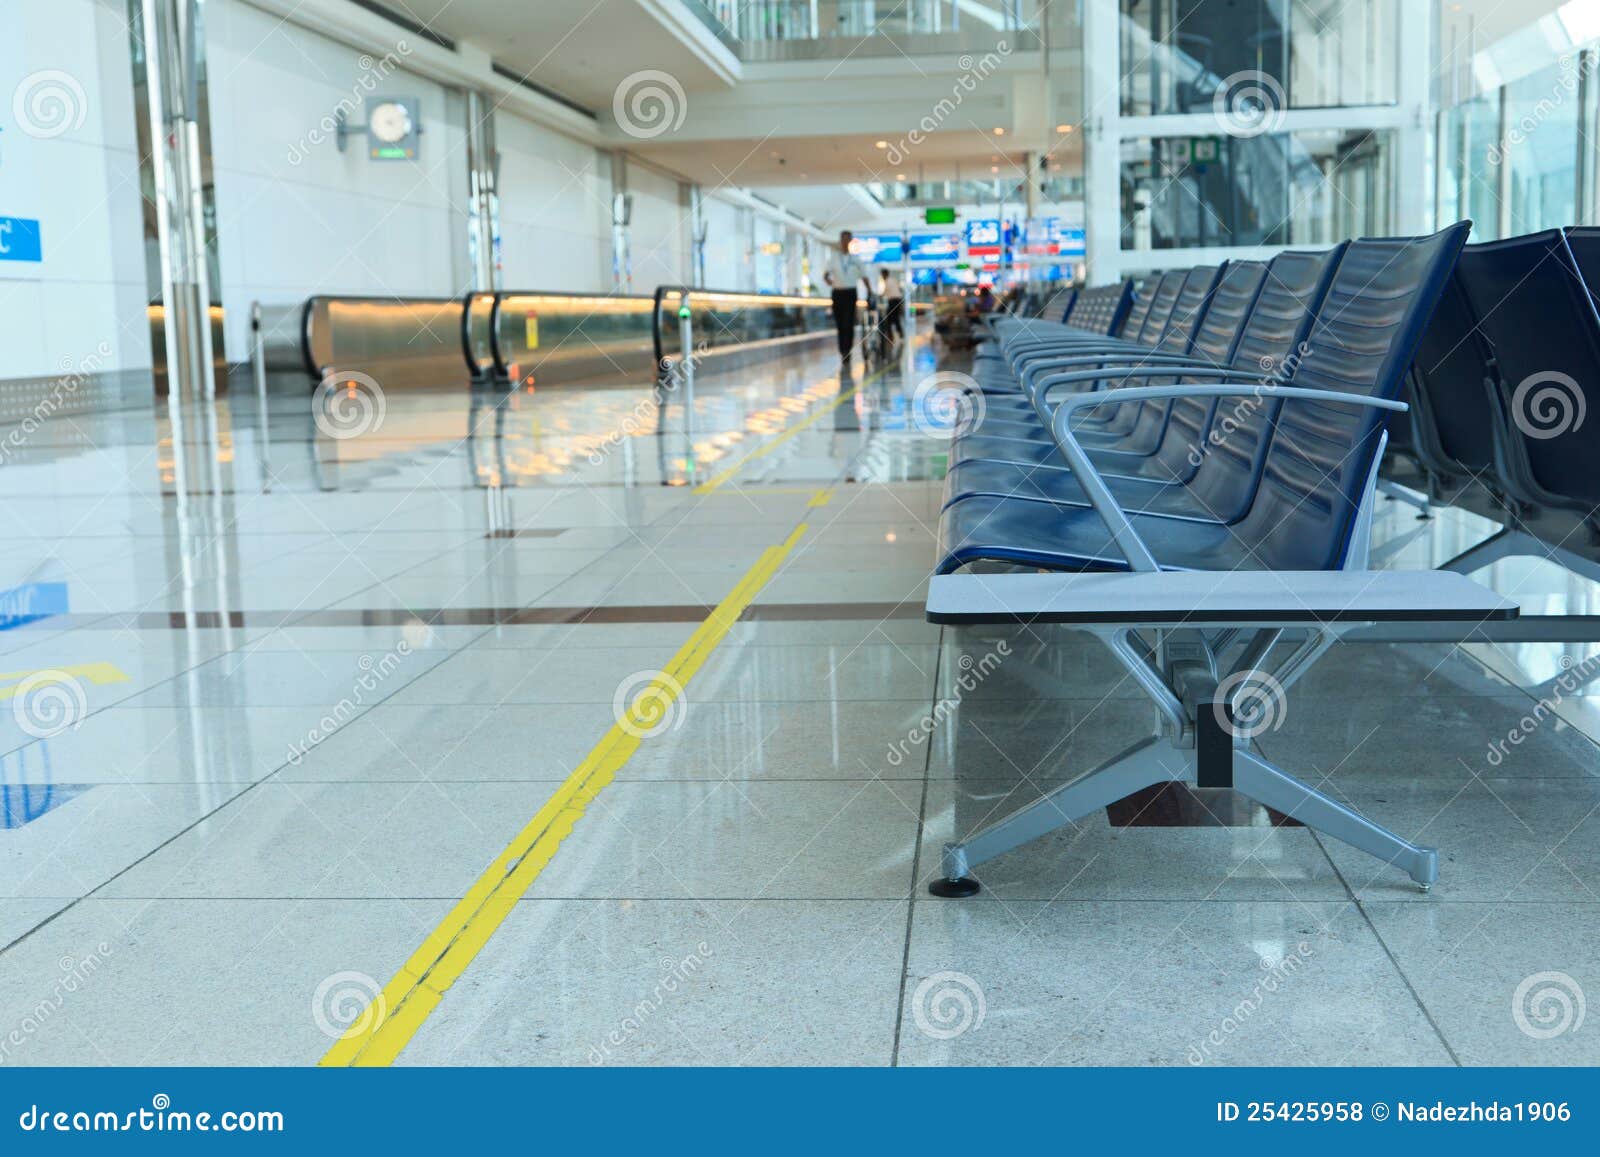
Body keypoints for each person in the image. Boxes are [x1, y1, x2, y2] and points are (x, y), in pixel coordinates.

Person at [822, 231, 869, 365]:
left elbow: (864, 276)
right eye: (843, 239)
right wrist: (832, 283)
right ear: (840, 240)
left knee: (848, 323)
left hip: (850, 293)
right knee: (840, 324)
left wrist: (870, 290)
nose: (844, 242)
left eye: (847, 239)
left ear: (850, 241)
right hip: (837, 293)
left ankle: (847, 351)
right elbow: (825, 275)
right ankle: (842, 349)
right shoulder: (833, 258)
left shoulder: (856, 259)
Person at [879, 267, 904, 346]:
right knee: (895, 318)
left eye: (882, 274)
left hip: (893, 301)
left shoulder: (887, 281)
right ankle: (900, 334)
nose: (882, 276)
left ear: (885, 274)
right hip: (898, 300)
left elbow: (885, 292)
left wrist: (880, 296)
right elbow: (899, 289)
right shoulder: (893, 280)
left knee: (889, 319)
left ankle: (890, 337)